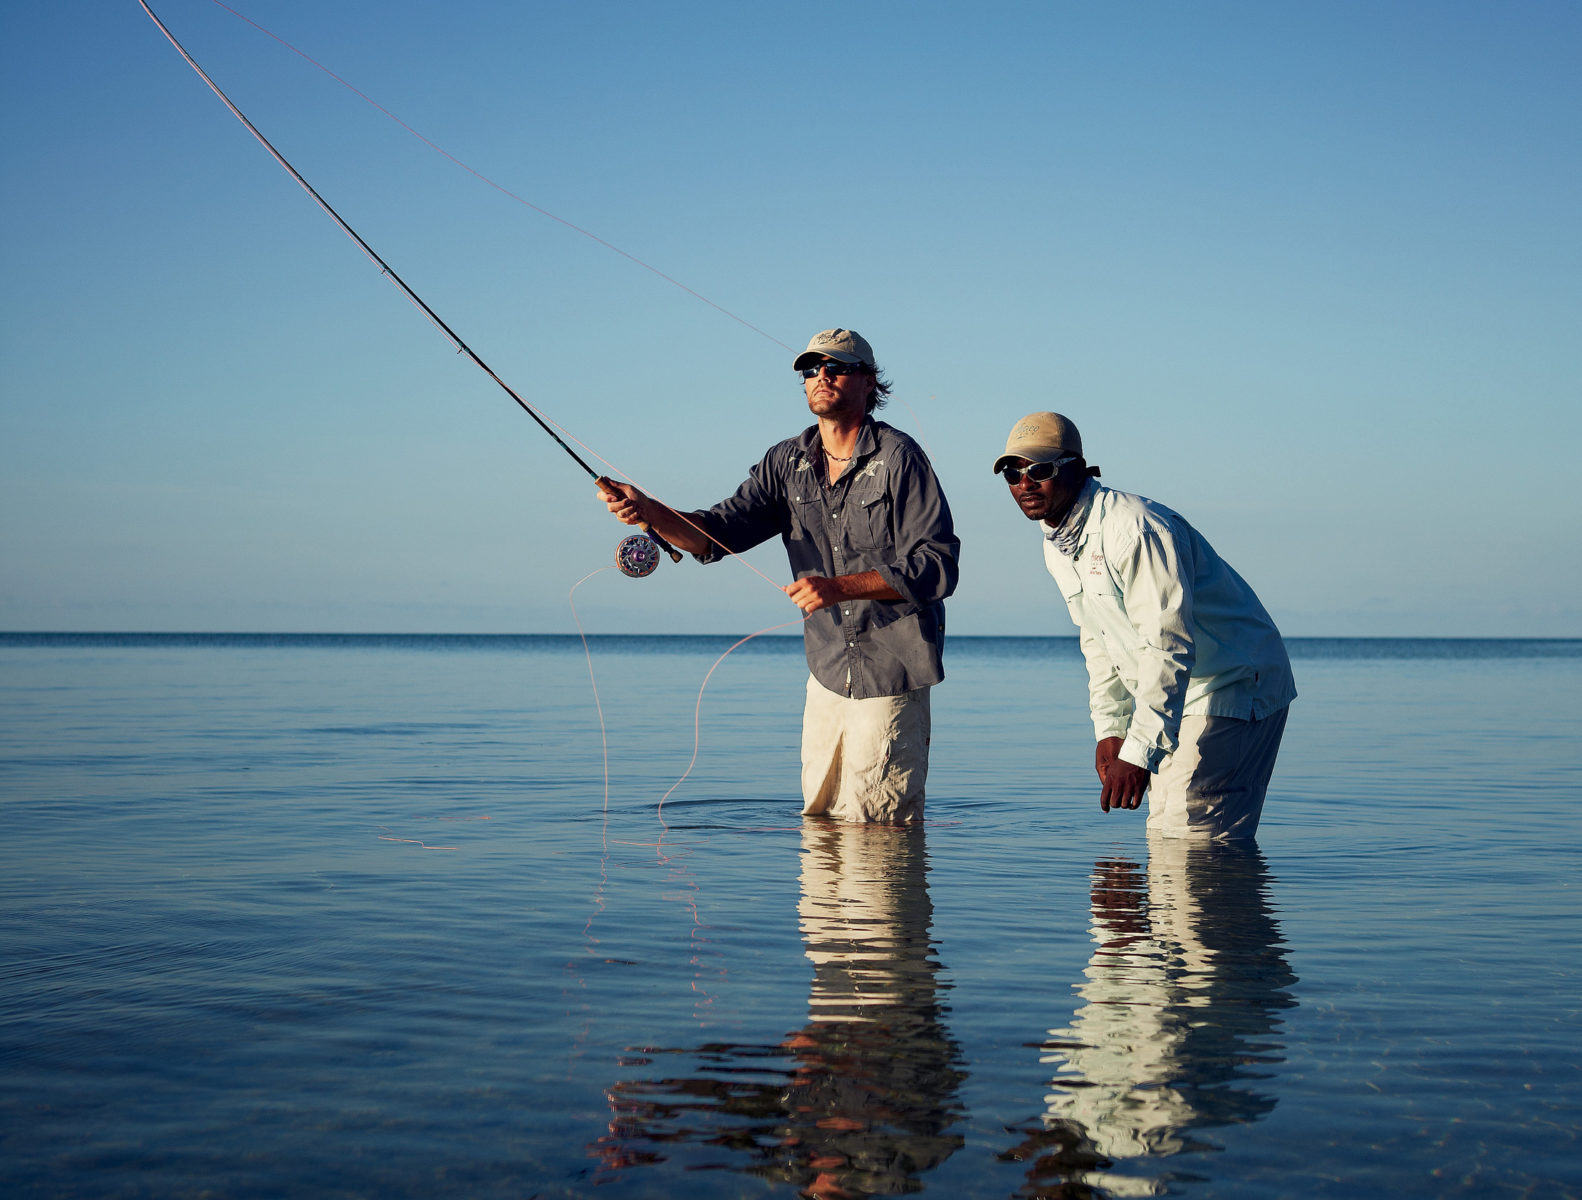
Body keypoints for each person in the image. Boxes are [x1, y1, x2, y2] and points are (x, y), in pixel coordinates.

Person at [602, 329, 960, 824]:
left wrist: (839, 588)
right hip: (827, 672)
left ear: (868, 381)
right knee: (818, 820)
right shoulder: (785, 462)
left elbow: (938, 564)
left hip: (892, 673)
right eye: (811, 370)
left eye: (836, 367)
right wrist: (649, 509)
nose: (821, 377)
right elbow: (716, 534)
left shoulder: (899, 457)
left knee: (878, 825)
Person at [994, 412, 1295, 839]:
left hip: (1233, 682)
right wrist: (1111, 728)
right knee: (1171, 835)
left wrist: (1137, 753)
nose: (1024, 484)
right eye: (1012, 472)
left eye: (1039, 470)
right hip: (1182, 693)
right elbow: (1098, 639)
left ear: (1076, 469)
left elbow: (1166, 644)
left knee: (1188, 834)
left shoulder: (1133, 529)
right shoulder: (1057, 544)